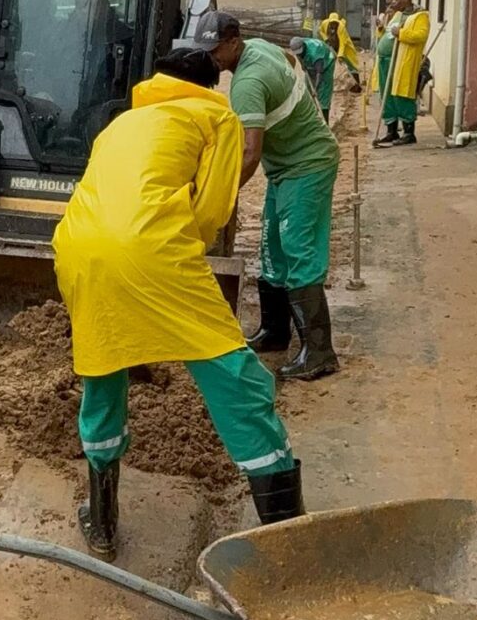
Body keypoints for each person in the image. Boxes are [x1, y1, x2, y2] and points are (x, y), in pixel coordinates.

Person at [53, 48, 307, 560]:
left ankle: (101, 521)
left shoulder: (122, 123)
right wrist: (180, 247)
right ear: (212, 86)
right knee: (237, 377)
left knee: (103, 372)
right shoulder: (216, 116)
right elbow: (213, 208)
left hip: (76, 247)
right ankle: (287, 535)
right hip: (152, 248)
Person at [193, 11, 341, 380]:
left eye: (216, 51)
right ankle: (276, 332)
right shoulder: (260, 48)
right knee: (272, 247)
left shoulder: (246, 84)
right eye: (206, 50)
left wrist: (221, 198)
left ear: (234, 42)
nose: (211, 58)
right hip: (286, 167)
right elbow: (291, 62)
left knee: (298, 248)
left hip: (307, 165)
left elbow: (249, 153)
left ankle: (320, 352)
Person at [374, 0, 430, 146]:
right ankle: (391, 131)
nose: (391, 2)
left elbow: (421, 35)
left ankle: (408, 133)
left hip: (402, 61)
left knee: (402, 95)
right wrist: (381, 28)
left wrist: (402, 33)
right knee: (386, 95)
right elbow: (387, 33)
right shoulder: (398, 15)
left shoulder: (421, 15)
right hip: (385, 61)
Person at [288, 36, 337, 123]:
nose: (298, 54)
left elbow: (319, 73)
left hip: (326, 65)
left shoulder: (315, 54)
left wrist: (315, 89)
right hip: (312, 63)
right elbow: (299, 56)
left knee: (323, 93)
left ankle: (325, 123)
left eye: (300, 53)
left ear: (303, 47)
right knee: (307, 89)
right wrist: (302, 64)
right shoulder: (300, 44)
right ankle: (311, 117)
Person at [318, 12, 363, 93]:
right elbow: (320, 30)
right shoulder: (324, 23)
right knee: (329, 63)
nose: (333, 25)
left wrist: (340, 55)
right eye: (332, 23)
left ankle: (357, 86)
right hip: (332, 46)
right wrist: (325, 39)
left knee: (351, 65)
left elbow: (342, 43)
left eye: (335, 23)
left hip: (345, 49)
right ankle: (329, 83)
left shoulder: (341, 27)